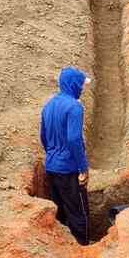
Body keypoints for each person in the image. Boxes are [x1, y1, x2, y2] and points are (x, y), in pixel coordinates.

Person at [40, 66, 90, 245]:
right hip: (69, 169)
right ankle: (83, 248)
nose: (83, 88)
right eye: (81, 84)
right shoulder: (74, 107)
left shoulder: (48, 106)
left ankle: (63, 250)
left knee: (60, 211)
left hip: (52, 167)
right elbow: (74, 139)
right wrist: (82, 168)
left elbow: (43, 137)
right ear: (74, 84)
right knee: (79, 213)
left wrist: (53, 156)